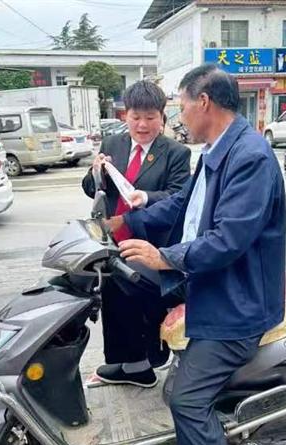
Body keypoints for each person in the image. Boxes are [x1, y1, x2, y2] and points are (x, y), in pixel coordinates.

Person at [105, 64, 286, 445]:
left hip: (235, 301)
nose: (180, 116)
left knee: (186, 401)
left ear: (203, 102)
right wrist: (123, 225)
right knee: (121, 279)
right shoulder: (214, 151)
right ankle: (139, 364)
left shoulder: (250, 158)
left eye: (182, 106)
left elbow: (228, 240)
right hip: (206, 279)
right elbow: (180, 206)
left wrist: (164, 256)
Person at [82, 80, 191, 387]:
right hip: (113, 240)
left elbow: (178, 197)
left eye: (150, 117)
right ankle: (127, 365)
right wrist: (95, 172)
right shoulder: (112, 144)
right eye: (136, 117)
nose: (142, 125)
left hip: (150, 242)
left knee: (142, 306)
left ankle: (148, 363)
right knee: (115, 304)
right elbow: (91, 189)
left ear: (162, 117)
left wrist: (144, 199)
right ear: (125, 116)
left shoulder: (176, 153)